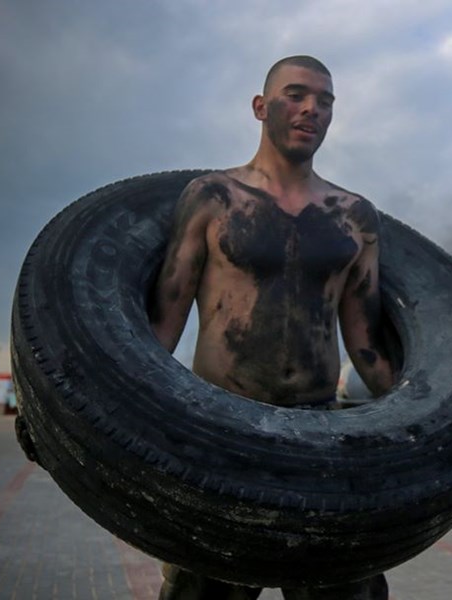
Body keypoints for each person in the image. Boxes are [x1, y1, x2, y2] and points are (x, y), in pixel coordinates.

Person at [148, 55, 395, 600]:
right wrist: (70, 408)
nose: (312, 109)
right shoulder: (213, 197)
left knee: (348, 588)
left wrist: (437, 427)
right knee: (204, 590)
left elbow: (367, 344)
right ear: (261, 107)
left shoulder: (353, 215)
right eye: (296, 94)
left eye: (325, 101)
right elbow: (160, 329)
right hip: (222, 431)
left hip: (319, 438)